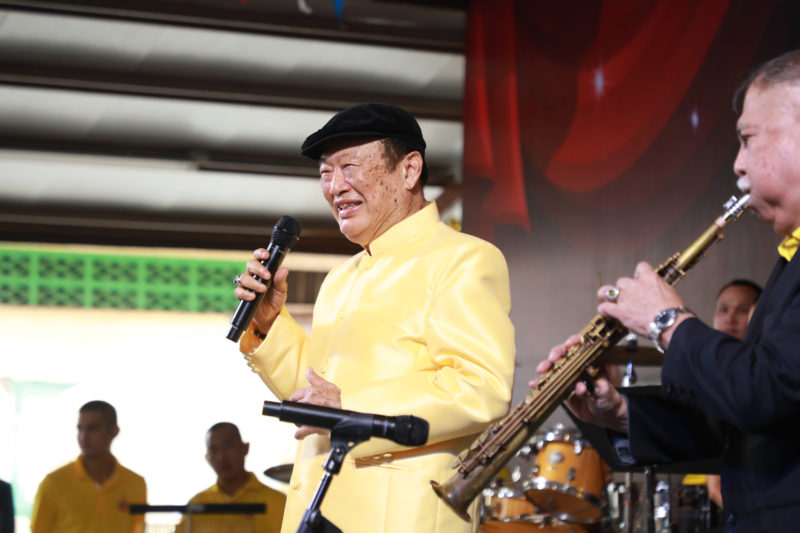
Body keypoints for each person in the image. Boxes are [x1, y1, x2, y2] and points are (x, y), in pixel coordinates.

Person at [535, 50, 800, 532]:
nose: (738, 165)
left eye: (747, 140)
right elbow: (750, 423)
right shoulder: (791, 258)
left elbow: (769, 393)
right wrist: (620, 412)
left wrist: (667, 322)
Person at [233, 102, 516, 533]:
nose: (335, 187)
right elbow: (317, 395)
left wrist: (350, 407)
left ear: (409, 170)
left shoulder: (463, 259)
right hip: (318, 510)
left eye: (350, 167)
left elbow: (482, 387)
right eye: (326, 173)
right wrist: (270, 323)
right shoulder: (340, 279)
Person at [30, 400, 146, 533]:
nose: (84, 437)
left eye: (93, 428)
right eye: (80, 429)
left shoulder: (135, 484)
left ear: (114, 431)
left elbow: (137, 529)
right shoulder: (54, 483)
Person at [176, 422, 286, 533]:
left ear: (245, 448)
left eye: (228, 447)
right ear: (207, 458)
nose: (221, 457)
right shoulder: (197, 504)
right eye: (213, 450)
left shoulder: (279, 503)